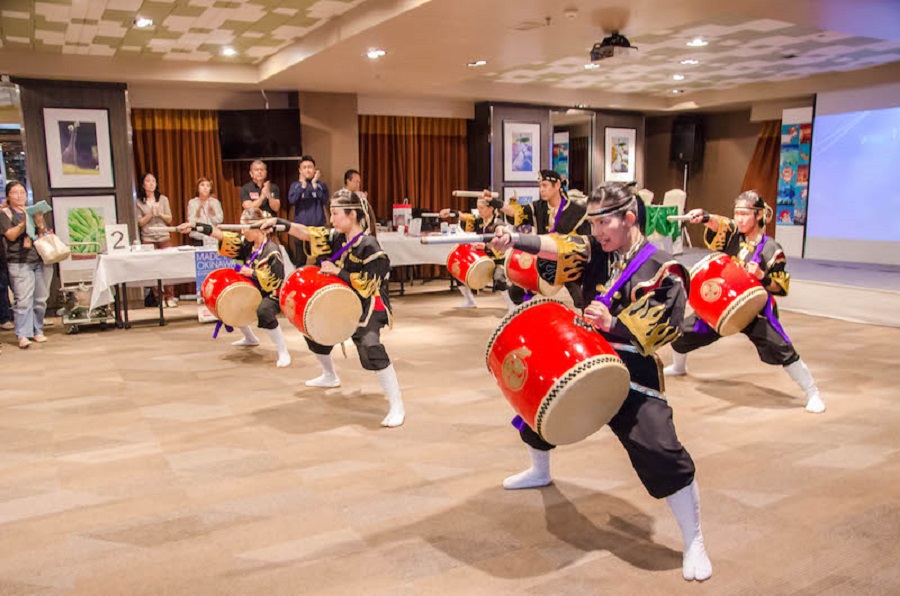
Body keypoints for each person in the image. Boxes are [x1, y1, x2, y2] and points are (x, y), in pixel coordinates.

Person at [491, 181, 712, 582]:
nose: (596, 232)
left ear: (629, 218)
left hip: (632, 369)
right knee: (537, 406)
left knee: (660, 450)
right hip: (583, 356)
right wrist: (514, 239)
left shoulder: (660, 265)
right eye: (593, 224)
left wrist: (615, 324)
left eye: (603, 222)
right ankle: (539, 469)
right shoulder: (596, 249)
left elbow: (669, 323)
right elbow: (557, 245)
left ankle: (694, 538)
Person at [663, 191, 826, 414]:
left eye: (744, 214)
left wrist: (762, 276)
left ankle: (812, 392)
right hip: (724, 303)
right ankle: (680, 366)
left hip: (755, 307)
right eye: (737, 213)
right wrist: (703, 216)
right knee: (684, 332)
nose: (739, 219)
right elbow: (717, 222)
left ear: (758, 215)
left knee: (781, 347)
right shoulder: (733, 235)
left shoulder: (771, 249)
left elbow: (781, 287)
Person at [266, 190, 405, 427]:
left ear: (352, 215)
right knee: (314, 331)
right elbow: (308, 233)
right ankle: (330, 376)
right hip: (343, 298)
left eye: (335, 214)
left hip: (370, 302)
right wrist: (279, 223)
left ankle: (397, 405)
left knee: (371, 347)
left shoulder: (369, 245)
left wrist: (338, 272)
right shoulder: (337, 237)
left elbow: (371, 282)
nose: (331, 220)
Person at [178, 208, 291, 368]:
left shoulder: (272, 250)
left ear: (258, 227)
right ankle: (250, 338)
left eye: (244, 227)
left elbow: (276, 279)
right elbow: (220, 235)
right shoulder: (248, 244)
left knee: (264, 311)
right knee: (232, 299)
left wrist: (252, 272)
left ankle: (283, 351)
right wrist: (195, 225)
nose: (242, 231)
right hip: (253, 287)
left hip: (271, 292)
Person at [500, 169, 589, 310]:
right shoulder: (538, 207)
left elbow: (586, 241)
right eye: (540, 186)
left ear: (557, 185)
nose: (541, 189)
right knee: (516, 293)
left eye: (545, 185)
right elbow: (516, 213)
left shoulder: (576, 211)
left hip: (567, 263)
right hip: (543, 260)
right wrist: (496, 203)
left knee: (582, 299)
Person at [438, 190, 514, 310]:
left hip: (497, 260)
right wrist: (450, 212)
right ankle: (470, 301)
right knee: (458, 270)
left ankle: (511, 305)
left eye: (482, 208)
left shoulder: (498, 224)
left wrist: (486, 247)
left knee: (499, 278)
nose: (479, 210)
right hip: (480, 258)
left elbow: (503, 244)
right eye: (478, 207)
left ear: (491, 208)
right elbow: (465, 216)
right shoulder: (479, 220)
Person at [0, 180, 54, 349]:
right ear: (8, 196)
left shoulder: (33, 211)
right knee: (23, 300)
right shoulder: (5, 214)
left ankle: (37, 330)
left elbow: (43, 234)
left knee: (40, 299)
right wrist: (24, 222)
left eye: (22, 192)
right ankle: (23, 334)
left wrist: (39, 224)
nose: (19, 195)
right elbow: (10, 235)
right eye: (15, 192)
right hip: (19, 261)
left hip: (39, 259)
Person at [134, 172, 177, 307]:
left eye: (153, 181)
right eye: (148, 181)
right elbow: (140, 222)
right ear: (143, 184)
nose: (151, 184)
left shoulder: (163, 199)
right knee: (153, 268)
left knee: (169, 266)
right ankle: (159, 298)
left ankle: (170, 296)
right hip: (148, 237)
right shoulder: (139, 202)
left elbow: (169, 218)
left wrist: (160, 214)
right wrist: (150, 214)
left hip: (163, 235)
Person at [287, 155, 329, 265]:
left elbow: (324, 199)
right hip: (300, 228)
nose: (307, 170)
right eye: (304, 167)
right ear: (300, 170)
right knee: (300, 259)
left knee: (321, 259)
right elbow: (292, 200)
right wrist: (303, 185)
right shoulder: (295, 185)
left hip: (318, 229)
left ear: (314, 169)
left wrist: (314, 184)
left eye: (310, 167)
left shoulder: (321, 185)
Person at [186, 177, 224, 247]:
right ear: (198, 188)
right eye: (202, 185)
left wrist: (212, 212)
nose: (205, 188)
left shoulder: (215, 202)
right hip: (197, 238)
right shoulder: (192, 202)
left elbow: (219, 220)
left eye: (208, 186)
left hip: (213, 238)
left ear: (210, 189)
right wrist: (198, 210)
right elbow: (191, 221)